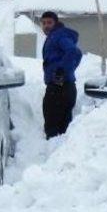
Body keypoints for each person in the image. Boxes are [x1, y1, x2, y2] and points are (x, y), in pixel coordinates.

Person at [40, 11, 82, 139]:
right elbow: (76, 54)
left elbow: (74, 51)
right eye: (44, 23)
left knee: (53, 123)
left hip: (60, 87)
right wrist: (67, 70)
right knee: (61, 126)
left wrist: (62, 71)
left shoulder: (59, 36)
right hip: (62, 86)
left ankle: (54, 154)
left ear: (56, 23)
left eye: (49, 22)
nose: (46, 25)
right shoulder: (54, 36)